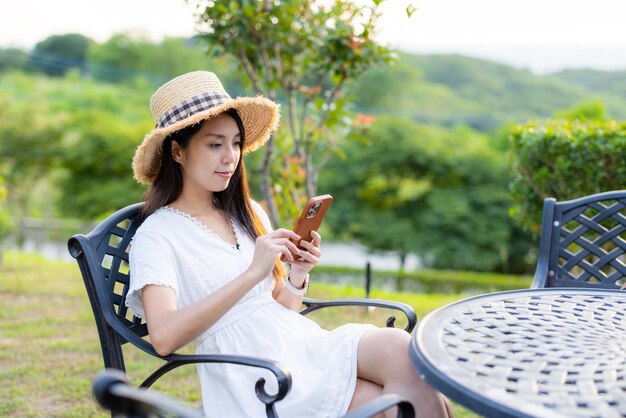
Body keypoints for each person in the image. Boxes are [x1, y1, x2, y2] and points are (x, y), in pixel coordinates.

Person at [126, 71, 452, 418]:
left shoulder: (247, 213)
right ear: (177, 151)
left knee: (403, 350)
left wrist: (297, 273)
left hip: (298, 342)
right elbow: (163, 337)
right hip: (254, 374)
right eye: (214, 144)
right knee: (389, 403)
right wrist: (252, 274)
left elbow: (281, 310)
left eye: (236, 143)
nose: (230, 157)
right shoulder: (158, 234)